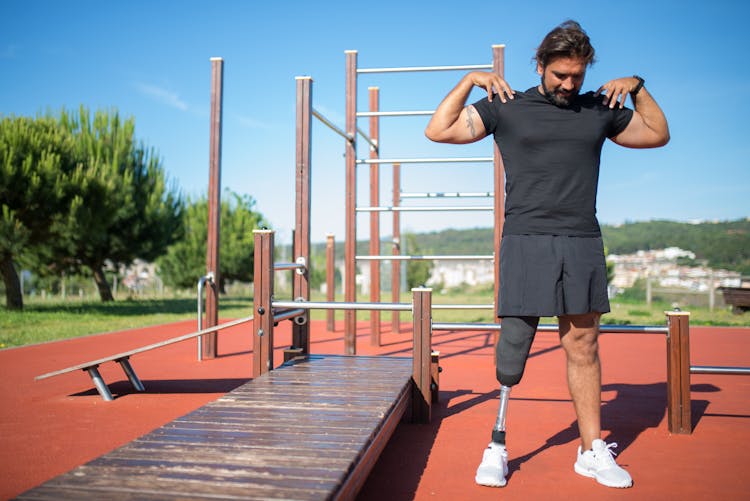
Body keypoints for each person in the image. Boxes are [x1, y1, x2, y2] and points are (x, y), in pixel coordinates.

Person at [424, 20, 669, 489]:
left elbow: (658, 134)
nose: (568, 84)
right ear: (540, 66)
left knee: (583, 344)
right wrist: (468, 81)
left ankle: (590, 450)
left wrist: (638, 87)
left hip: (580, 239)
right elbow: (438, 130)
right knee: (513, 347)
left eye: (576, 75)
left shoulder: (601, 107)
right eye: (559, 75)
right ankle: (496, 444)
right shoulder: (506, 107)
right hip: (525, 238)